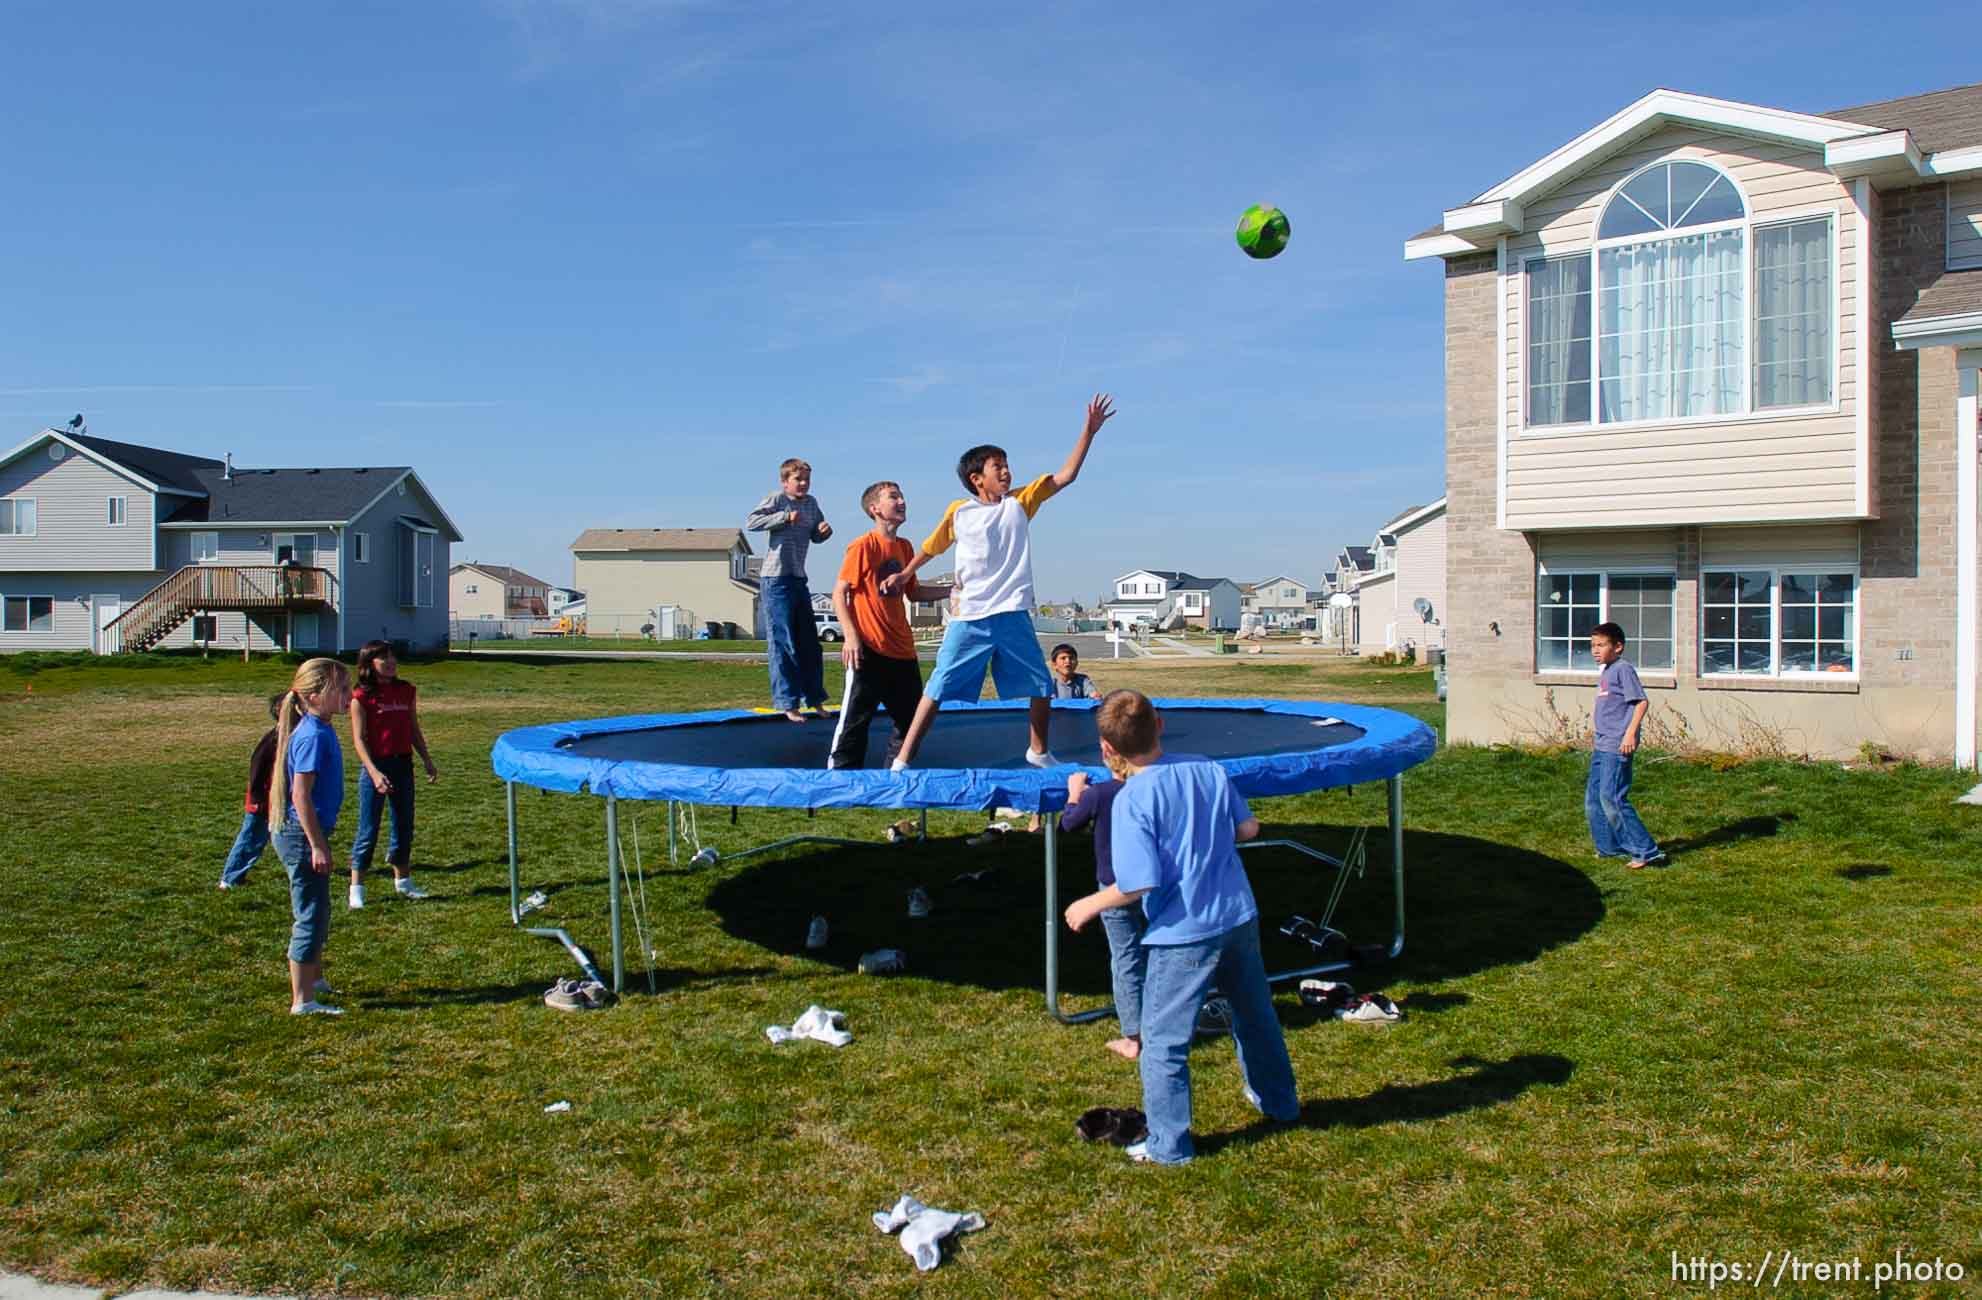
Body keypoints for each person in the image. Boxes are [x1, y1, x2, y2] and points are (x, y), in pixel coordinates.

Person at [1063, 689, 1298, 1165]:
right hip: (1238, 915)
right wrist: (1207, 838)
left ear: (1107, 750)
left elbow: (1137, 881)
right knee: (1256, 1017)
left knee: (1163, 1044)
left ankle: (1169, 1146)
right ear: (1161, 725)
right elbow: (1248, 829)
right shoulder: (1208, 769)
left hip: (1184, 933)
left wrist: (1088, 903)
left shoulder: (1133, 799)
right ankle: (1281, 1103)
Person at [882, 394, 1116, 768]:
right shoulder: (960, 512)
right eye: (998, 467)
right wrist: (905, 574)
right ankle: (904, 758)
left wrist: (1088, 432)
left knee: (1041, 686)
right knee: (937, 688)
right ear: (977, 479)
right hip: (971, 616)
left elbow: (1066, 476)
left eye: (1007, 465)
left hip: (1013, 614)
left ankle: (1038, 752)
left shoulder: (1021, 501)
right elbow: (931, 547)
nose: (1006, 472)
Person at [828, 480, 952, 770]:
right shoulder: (863, 546)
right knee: (855, 720)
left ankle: (893, 776)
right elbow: (839, 592)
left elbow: (915, 592)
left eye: (902, 496)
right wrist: (850, 636)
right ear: (875, 509)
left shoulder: (906, 548)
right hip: (868, 648)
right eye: (893, 497)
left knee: (910, 721)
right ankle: (841, 779)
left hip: (902, 652)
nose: (901, 501)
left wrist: (952, 589)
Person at [270, 657, 352, 1016]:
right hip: (301, 836)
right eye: (343, 690)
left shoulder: (321, 727)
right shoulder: (312, 736)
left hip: (307, 834)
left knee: (320, 909)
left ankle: (314, 978)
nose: (350, 696)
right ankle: (303, 1000)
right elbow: (300, 796)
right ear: (316, 696)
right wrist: (317, 844)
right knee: (310, 913)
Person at [347, 640, 439, 908]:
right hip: (376, 766)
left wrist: (427, 760)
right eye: (382, 658)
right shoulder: (361, 697)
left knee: (403, 825)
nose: (390, 662)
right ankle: (357, 889)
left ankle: (403, 882)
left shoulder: (405, 690)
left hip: (403, 765)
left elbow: (413, 729)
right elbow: (359, 740)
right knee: (368, 829)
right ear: (368, 664)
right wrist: (374, 773)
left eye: (392, 657)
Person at [746, 457, 834, 721]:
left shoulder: (812, 504)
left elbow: (816, 535)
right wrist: (784, 517)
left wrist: (823, 532)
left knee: (809, 643)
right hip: (775, 580)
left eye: (807, 479)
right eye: (798, 479)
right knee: (784, 643)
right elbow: (751, 522)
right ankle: (788, 703)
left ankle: (815, 700)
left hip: (798, 578)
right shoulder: (777, 500)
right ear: (785, 482)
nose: (804, 484)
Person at [1061, 761, 1138, 1059]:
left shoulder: (1100, 794)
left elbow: (1069, 824)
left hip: (1114, 886)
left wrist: (1074, 793)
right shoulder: (1151, 788)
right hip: (1154, 881)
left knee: (1126, 956)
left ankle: (1133, 1037)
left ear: (1107, 753)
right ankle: (1165, 1022)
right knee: (1156, 950)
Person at [1588, 621, 1666, 870]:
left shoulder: (1623, 669)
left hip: (1617, 745)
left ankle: (1646, 851)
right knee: (1593, 800)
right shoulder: (1607, 671)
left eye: (1601, 645)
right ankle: (1609, 847)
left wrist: (1629, 735)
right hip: (1602, 744)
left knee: (1612, 798)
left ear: (1618, 647)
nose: (1595, 650)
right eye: (1592, 646)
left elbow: (1641, 702)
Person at [217, 692, 286, 890]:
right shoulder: (273, 737)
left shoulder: (288, 735)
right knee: (251, 838)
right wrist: (257, 797)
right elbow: (257, 766)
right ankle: (229, 879)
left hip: (275, 797)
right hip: (263, 799)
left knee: (260, 838)